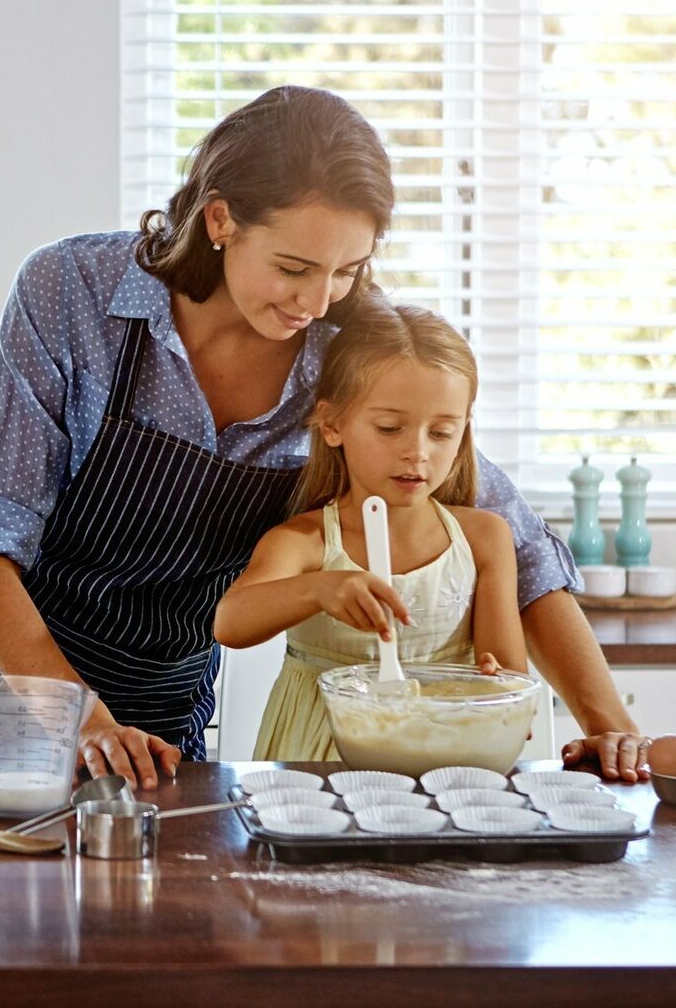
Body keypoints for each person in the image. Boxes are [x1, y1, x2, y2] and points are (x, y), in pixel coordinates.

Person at [0, 85, 649, 787]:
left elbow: (519, 548)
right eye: (295, 266)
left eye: (348, 270)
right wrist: (84, 725)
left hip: (157, 716)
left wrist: (609, 724)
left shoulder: (349, 355)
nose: (318, 299)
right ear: (219, 219)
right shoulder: (72, 294)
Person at [215, 303, 528, 761]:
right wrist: (319, 589)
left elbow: (506, 672)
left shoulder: (485, 537)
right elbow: (231, 623)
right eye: (389, 427)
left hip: (448, 752)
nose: (416, 452)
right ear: (333, 425)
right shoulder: (305, 542)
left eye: (441, 433)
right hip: (318, 759)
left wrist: (490, 689)